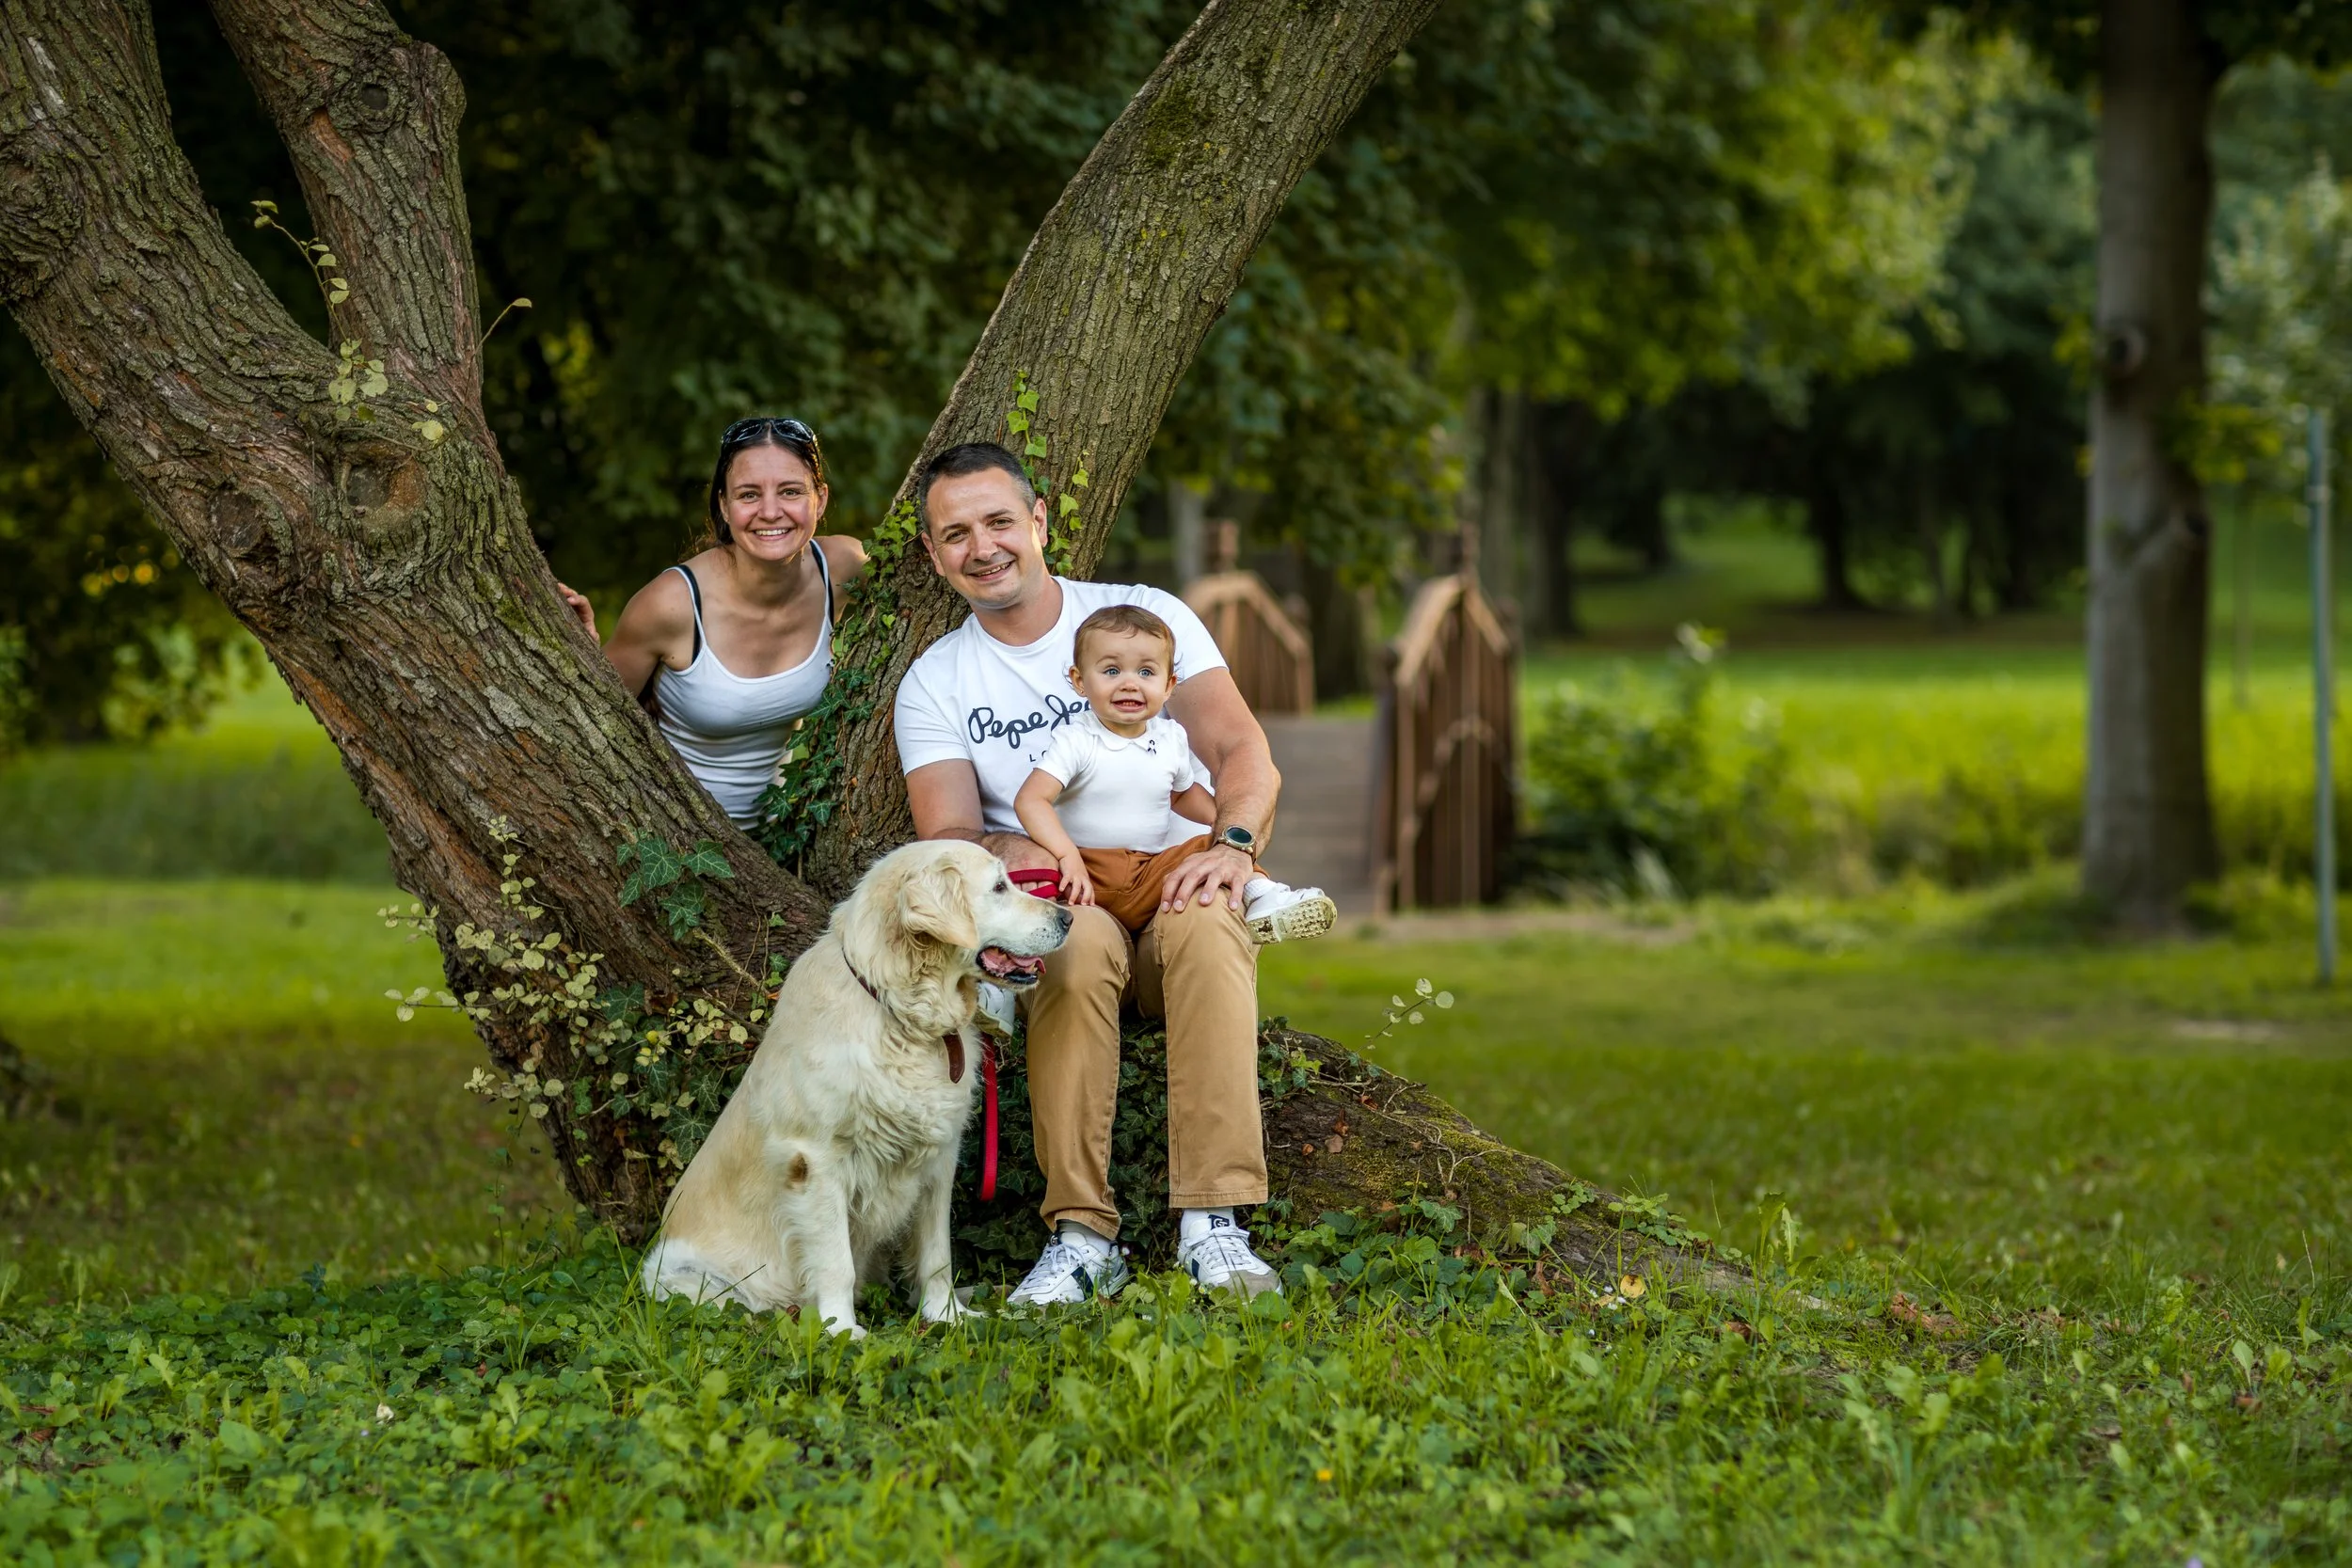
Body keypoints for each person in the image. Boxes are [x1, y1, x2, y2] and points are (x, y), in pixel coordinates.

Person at [894, 441, 1289, 1304]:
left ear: (1038, 522)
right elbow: (951, 832)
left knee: (1212, 922)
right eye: (954, 533)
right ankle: (1080, 1235)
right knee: (1069, 951)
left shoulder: (1141, 615)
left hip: (1173, 878)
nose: (983, 546)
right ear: (933, 555)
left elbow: (1238, 749)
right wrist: (1016, 848)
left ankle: (1213, 1223)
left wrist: (1232, 843)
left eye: (1000, 520)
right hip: (1070, 904)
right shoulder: (935, 681)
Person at [558, 418, 866, 828]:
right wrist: (583, 653)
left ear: (820, 500)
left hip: (780, 846)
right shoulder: (672, 604)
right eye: (748, 494)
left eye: (791, 492)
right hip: (667, 838)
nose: (770, 512)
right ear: (724, 505)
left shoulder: (843, 568)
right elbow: (592, 722)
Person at [1013, 602, 1334, 942]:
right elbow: (1031, 800)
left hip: (1149, 872)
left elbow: (1181, 794)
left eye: (1146, 673)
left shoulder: (1169, 738)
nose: (1129, 684)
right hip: (1087, 870)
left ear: (1169, 686)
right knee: (1038, 881)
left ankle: (1260, 896)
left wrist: (1221, 825)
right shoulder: (1077, 739)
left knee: (1213, 848)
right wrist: (1067, 855)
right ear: (1079, 681)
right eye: (1111, 671)